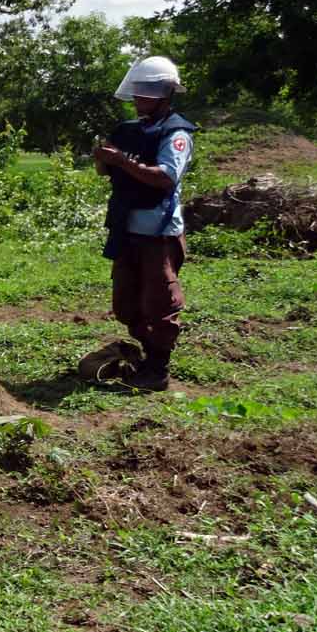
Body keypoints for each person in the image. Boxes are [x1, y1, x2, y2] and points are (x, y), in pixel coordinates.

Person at [92, 56, 196, 391]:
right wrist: (104, 160)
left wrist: (122, 161)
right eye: (137, 92)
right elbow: (106, 170)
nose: (138, 99)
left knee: (160, 302)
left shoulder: (176, 133)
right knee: (125, 302)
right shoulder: (128, 131)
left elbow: (166, 178)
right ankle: (147, 350)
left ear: (165, 95)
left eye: (146, 93)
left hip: (158, 232)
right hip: (126, 227)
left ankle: (157, 367)